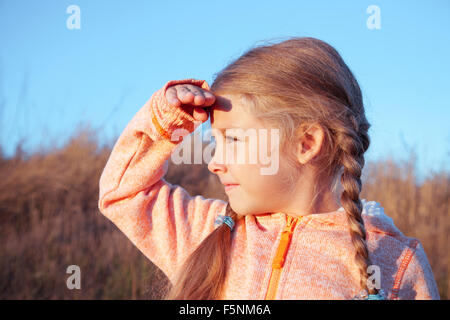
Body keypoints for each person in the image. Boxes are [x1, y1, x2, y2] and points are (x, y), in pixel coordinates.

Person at [98, 37, 440, 300]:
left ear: (306, 144)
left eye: (232, 140)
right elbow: (124, 193)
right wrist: (167, 121)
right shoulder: (207, 231)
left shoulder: (395, 261)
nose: (214, 163)